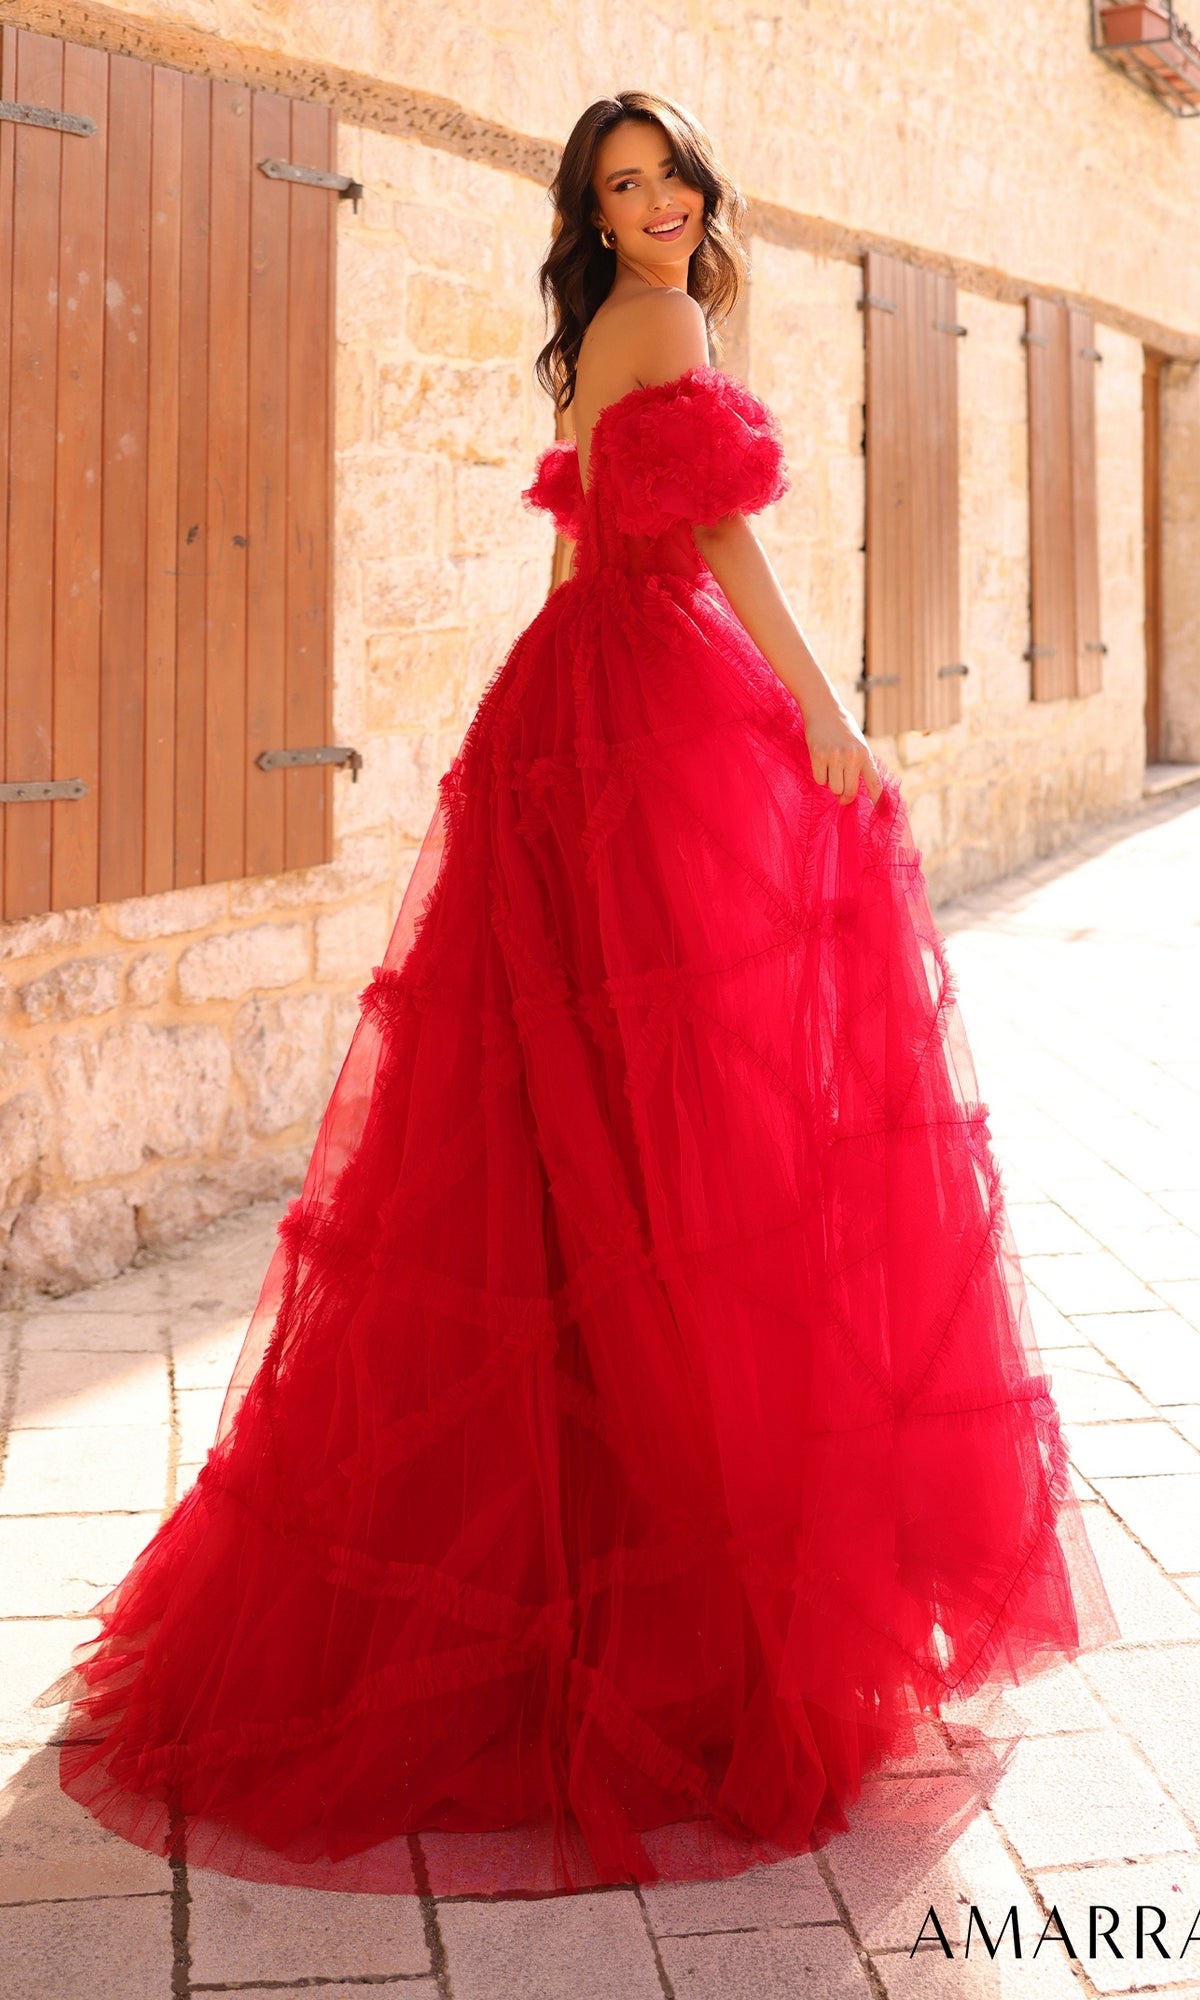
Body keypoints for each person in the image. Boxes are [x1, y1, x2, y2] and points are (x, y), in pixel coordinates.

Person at [51, 89, 1114, 1899]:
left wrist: (549, 734)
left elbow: (582, 551)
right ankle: (675, 1569)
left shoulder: (615, 329)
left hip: (578, 698)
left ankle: (616, 1528)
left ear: (701, 182)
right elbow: (719, 548)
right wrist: (828, 712)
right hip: (639, 703)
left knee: (580, 1120)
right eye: (614, 192)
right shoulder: (670, 317)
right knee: (687, 1118)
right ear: (599, 213)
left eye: (662, 181)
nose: (645, 210)